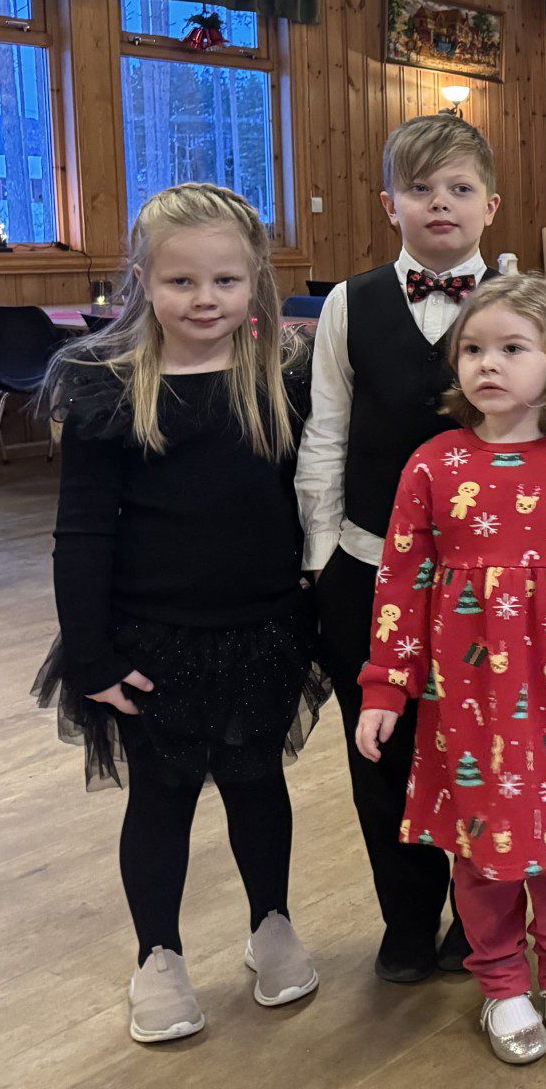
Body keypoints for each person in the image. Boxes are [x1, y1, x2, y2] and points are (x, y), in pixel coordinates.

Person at [34, 184, 328, 1044]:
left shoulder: (284, 374)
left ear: (256, 286)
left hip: (266, 627)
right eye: (182, 283)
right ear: (141, 282)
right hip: (147, 637)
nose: (205, 300)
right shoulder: (105, 384)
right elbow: (81, 532)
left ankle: (271, 922)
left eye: (226, 282)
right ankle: (156, 954)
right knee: (160, 796)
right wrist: (91, 656)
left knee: (255, 782)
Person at [355, 276, 546, 1065]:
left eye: (511, 349)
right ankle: (498, 980)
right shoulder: (433, 464)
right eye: (472, 349)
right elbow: (402, 581)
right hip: (469, 701)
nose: (487, 364)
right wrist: (385, 684)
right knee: (482, 846)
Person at [295, 113, 499, 983]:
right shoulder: (352, 302)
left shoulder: (517, 305)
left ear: (491, 204)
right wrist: (319, 560)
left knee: (483, 751)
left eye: (458, 188)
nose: (440, 203)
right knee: (381, 752)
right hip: (367, 562)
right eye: (421, 189)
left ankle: (481, 920)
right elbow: (327, 432)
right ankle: (406, 922)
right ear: (390, 204)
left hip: (484, 580)